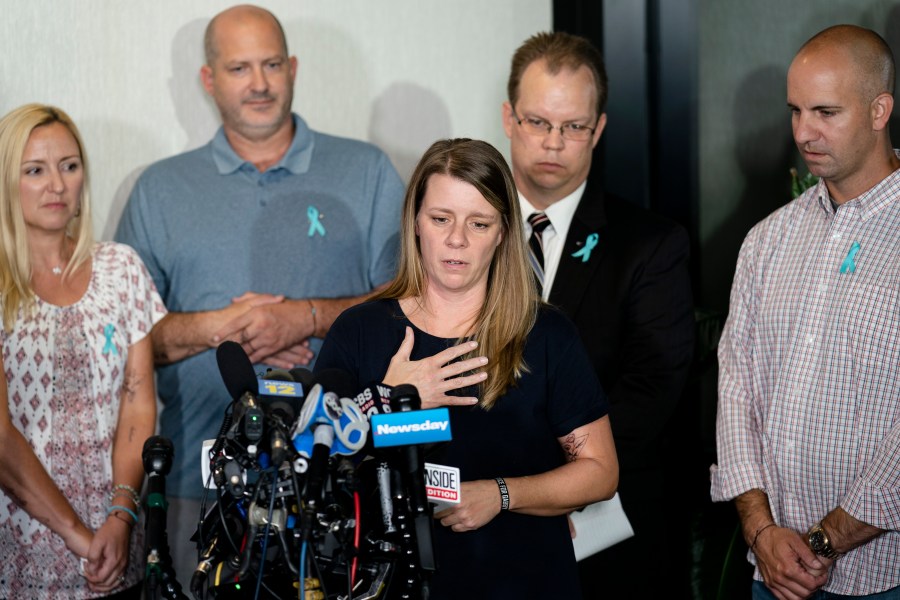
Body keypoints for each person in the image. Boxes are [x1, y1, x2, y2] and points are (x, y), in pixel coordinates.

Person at [114, 4, 404, 582]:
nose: (260, 84)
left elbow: (408, 306)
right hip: (200, 488)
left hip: (343, 485)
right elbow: (127, 341)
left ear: (293, 67)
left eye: (272, 64)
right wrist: (229, 327)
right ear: (208, 79)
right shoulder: (159, 189)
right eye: (240, 68)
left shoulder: (368, 171)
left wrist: (308, 317)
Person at [315, 138, 618, 599]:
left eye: (479, 223)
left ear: (502, 233)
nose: (457, 240)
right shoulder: (359, 332)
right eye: (441, 219)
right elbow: (315, 470)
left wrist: (500, 494)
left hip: (526, 582)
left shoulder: (546, 334)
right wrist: (387, 397)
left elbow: (600, 472)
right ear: (415, 221)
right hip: (393, 585)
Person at [501, 32, 695, 597]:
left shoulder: (652, 245)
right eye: (538, 122)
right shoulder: (463, 238)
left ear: (600, 129)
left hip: (605, 527)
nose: (554, 143)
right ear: (509, 118)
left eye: (574, 127)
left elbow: (651, 388)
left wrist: (549, 486)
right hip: (481, 517)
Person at [712, 24, 900, 599]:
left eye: (825, 112)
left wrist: (823, 543)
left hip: (883, 576)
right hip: (770, 569)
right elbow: (736, 386)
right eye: (795, 111)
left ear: (879, 110)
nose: (803, 132)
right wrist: (762, 532)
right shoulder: (767, 240)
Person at [0, 104, 165, 598]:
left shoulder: (121, 267)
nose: (57, 185)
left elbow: (137, 404)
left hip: (120, 546)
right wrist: (77, 534)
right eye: (35, 170)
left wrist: (120, 517)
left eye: (69, 166)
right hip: (21, 556)